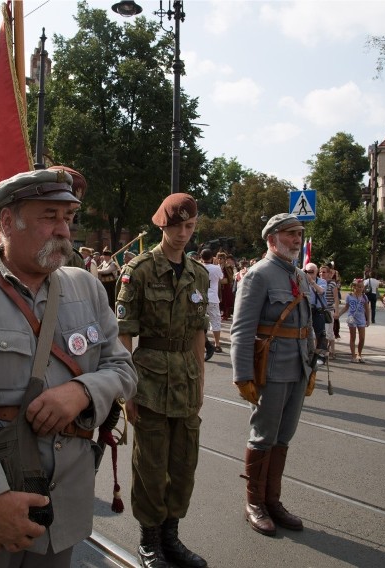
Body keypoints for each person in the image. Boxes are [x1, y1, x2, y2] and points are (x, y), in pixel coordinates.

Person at [0, 168, 137, 566]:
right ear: (6, 221)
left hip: (65, 501)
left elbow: (123, 370)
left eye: (68, 218)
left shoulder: (85, 287)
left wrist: (83, 392)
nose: (65, 231)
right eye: (49, 216)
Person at [116, 193, 210, 568]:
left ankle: (171, 537)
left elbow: (199, 335)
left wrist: (201, 383)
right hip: (149, 382)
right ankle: (149, 541)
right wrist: (127, 389)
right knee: (151, 467)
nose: (183, 233)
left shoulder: (198, 274)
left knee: (184, 464)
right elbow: (124, 334)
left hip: (186, 379)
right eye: (176, 226)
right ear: (162, 225)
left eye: (189, 227)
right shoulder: (138, 271)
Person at [230, 213, 314, 538]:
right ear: (272, 238)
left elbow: (306, 326)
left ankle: (272, 500)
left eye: (299, 233)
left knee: (284, 436)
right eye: (290, 234)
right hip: (271, 368)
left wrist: (312, 367)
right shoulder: (258, 275)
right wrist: (242, 375)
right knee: (263, 435)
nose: (296, 239)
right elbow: (241, 328)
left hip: (298, 367)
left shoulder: (299, 276)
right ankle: (254, 503)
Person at [337, 279, 370, 363]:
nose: (361, 289)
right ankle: (353, 355)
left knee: (362, 338)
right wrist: (339, 314)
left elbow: (367, 309)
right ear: (354, 287)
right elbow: (346, 307)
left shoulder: (364, 297)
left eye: (362, 287)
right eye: (359, 287)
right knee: (353, 337)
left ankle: (359, 354)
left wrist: (368, 319)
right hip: (352, 318)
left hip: (361, 318)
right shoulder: (349, 296)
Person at [200, 248, 224, 358]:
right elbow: (221, 278)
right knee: (215, 320)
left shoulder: (198, 267)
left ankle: (202, 342)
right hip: (213, 297)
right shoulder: (216, 268)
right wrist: (216, 264)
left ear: (201, 257)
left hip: (200, 297)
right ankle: (217, 344)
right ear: (211, 257)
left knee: (200, 321)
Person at [304, 263, 328, 363]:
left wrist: (312, 282)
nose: (309, 274)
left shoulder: (321, 281)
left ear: (316, 272)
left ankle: (320, 356)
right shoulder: (303, 281)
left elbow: (321, 291)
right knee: (306, 333)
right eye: (307, 271)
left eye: (311, 272)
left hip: (318, 311)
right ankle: (307, 354)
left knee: (320, 334)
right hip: (306, 309)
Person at [319, 263, 339, 359]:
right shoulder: (318, 282)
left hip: (329, 310)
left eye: (324, 272)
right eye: (320, 272)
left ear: (328, 273)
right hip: (319, 310)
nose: (322, 274)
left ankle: (332, 351)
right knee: (320, 332)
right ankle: (322, 351)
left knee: (329, 331)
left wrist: (337, 311)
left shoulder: (332, 283)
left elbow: (336, 298)